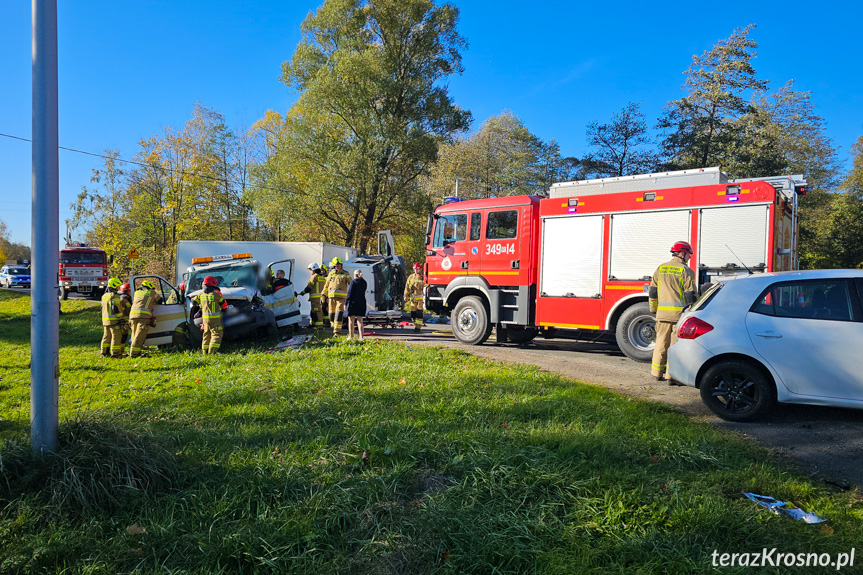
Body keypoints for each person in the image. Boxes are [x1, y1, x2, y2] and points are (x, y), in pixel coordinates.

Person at [648, 241, 697, 382]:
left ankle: (656, 373)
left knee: (660, 343)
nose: (689, 258)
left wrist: (653, 309)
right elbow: (690, 296)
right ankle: (671, 376)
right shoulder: (686, 271)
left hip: (662, 315)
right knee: (675, 347)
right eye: (689, 255)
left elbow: (652, 292)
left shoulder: (661, 268)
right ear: (682, 253)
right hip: (679, 316)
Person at [192, 275, 227, 354]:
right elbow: (224, 304)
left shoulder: (201, 294)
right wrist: (224, 311)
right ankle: (212, 352)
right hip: (215, 320)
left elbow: (193, 302)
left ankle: (204, 352)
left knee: (206, 334)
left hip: (205, 320)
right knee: (216, 334)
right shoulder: (217, 295)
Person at [129, 279, 163, 358]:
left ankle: (134, 350)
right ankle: (134, 354)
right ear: (150, 287)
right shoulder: (152, 292)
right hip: (143, 316)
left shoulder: (136, 293)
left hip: (132, 316)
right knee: (139, 335)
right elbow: (160, 301)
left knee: (134, 334)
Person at [100, 278, 130, 358]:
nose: (119, 288)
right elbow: (115, 308)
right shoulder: (115, 296)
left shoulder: (104, 296)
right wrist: (121, 319)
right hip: (114, 321)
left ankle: (104, 352)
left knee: (106, 336)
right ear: (114, 286)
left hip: (105, 321)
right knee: (116, 337)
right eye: (118, 286)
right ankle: (116, 353)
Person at [322, 257, 350, 336]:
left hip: (341, 299)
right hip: (331, 299)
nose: (338, 266)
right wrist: (323, 295)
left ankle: (337, 332)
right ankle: (334, 327)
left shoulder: (345, 274)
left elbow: (351, 284)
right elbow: (326, 285)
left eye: (339, 265)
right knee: (331, 315)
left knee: (339, 314)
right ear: (334, 266)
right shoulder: (331, 274)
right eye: (336, 265)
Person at [298, 263, 325, 328]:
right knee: (314, 311)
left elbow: (309, 287)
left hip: (315, 299)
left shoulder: (314, 277)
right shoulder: (321, 277)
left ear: (313, 270)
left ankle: (319, 326)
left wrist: (302, 293)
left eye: (310, 270)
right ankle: (313, 324)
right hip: (320, 298)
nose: (310, 272)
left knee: (316, 312)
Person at [346, 269, 367, 341]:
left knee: (351, 320)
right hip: (362, 302)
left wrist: (346, 302)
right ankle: (361, 337)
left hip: (353, 303)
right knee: (360, 320)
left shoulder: (353, 282)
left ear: (355, 275)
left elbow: (349, 293)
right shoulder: (364, 282)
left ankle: (351, 336)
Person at [404, 262, 425, 332]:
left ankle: (418, 328)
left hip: (420, 300)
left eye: (418, 269)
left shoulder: (423, 277)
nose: (416, 270)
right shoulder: (411, 277)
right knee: (413, 314)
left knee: (419, 314)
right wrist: (405, 296)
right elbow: (407, 287)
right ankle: (415, 324)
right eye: (415, 269)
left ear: (420, 269)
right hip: (413, 299)